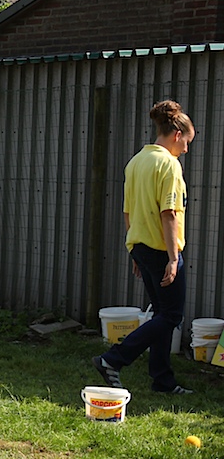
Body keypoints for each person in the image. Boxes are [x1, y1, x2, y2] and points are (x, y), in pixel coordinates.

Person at [93, 100, 197, 395]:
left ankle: (162, 380)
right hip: (162, 250)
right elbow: (169, 214)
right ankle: (112, 359)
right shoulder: (169, 165)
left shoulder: (136, 162)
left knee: (161, 314)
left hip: (140, 246)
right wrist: (173, 258)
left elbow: (128, 211)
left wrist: (134, 250)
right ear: (177, 135)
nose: (186, 150)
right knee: (171, 315)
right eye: (187, 142)